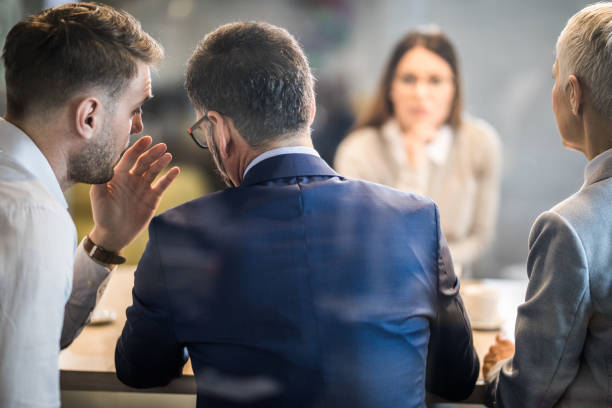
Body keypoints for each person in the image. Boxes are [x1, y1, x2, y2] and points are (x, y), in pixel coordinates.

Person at [115, 21, 478, 407]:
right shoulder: (417, 220)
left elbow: (141, 369)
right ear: (310, 106)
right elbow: (457, 379)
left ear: (219, 129)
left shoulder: (180, 234)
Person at [0, 3, 179, 407]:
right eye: (135, 108)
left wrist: (106, 241)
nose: (138, 127)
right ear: (89, 116)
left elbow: (39, 337)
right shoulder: (29, 218)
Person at [483, 3, 612, 406]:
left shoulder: (571, 228)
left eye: (555, 80)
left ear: (574, 94)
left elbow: (528, 394)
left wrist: (500, 370)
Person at [334, 29, 501, 268]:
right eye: (408, 79)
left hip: (455, 293)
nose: (421, 93)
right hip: (384, 290)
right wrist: (413, 164)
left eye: (435, 80)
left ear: (454, 89)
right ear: (390, 88)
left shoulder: (480, 142)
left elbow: (481, 237)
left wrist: (433, 265)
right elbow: (374, 245)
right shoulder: (357, 151)